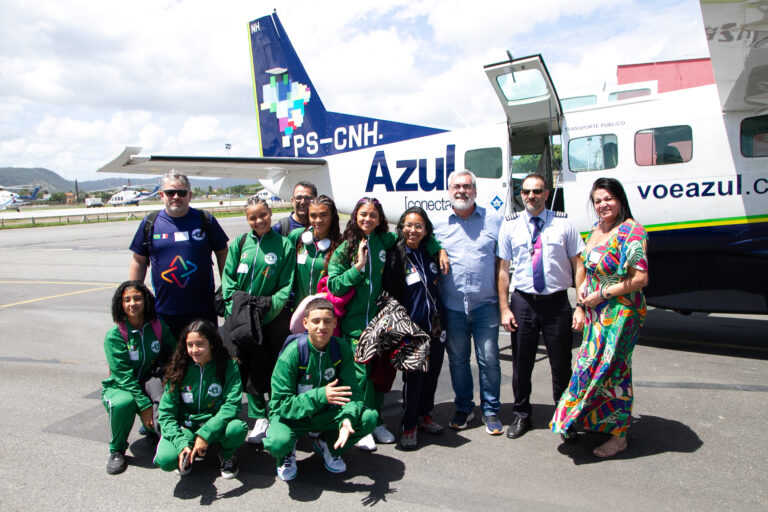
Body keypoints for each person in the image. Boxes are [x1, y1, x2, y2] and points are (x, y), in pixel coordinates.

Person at [327, 197, 448, 451]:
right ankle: (361, 425)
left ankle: (377, 420)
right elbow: (334, 285)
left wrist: (439, 249)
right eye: (363, 214)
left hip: (385, 321)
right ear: (355, 216)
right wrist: (357, 268)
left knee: (380, 376)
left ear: (380, 218)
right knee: (360, 376)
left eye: (373, 215)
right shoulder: (344, 248)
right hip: (356, 323)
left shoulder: (386, 242)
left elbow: (417, 236)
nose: (367, 220)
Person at [550, 177, 649, 458]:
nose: (603, 205)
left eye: (608, 199)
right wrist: (582, 300)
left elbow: (640, 278)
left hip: (621, 313)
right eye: (598, 200)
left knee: (614, 371)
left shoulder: (632, 231)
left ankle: (619, 437)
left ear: (620, 199)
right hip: (596, 312)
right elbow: (584, 267)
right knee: (593, 367)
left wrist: (602, 294)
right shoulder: (598, 229)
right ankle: (600, 422)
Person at [497, 174, 585, 440]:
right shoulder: (510, 225)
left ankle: (564, 417)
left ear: (547, 194)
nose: (531, 196)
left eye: (537, 191)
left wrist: (580, 305)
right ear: (520, 195)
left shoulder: (564, 223)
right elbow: (503, 269)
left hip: (556, 303)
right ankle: (522, 415)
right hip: (523, 301)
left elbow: (578, 264)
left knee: (561, 364)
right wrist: (504, 308)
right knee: (522, 365)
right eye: (526, 192)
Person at [263, 298, 378, 481]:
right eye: (316, 321)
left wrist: (347, 418)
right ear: (305, 323)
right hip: (293, 417)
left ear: (334, 323)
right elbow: (279, 405)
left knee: (368, 418)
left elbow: (353, 393)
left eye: (327, 321)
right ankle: (286, 452)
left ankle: (327, 444)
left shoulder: (341, 349)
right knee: (277, 442)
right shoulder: (292, 354)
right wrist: (321, 395)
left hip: (326, 415)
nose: (321, 326)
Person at [433, 169, 504, 435]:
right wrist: (438, 248)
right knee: (459, 360)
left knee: (490, 360)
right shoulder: (438, 223)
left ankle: (491, 410)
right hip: (452, 307)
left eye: (467, 186)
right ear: (449, 191)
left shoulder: (494, 220)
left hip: (486, 305)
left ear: (475, 190)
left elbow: (503, 263)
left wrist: (504, 303)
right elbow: (424, 245)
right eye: (456, 187)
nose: (461, 191)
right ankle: (464, 407)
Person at [220, 195, 294, 444]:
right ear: (247, 219)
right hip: (241, 317)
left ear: (270, 213)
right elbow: (227, 280)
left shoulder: (284, 245)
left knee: (273, 366)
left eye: (262, 214)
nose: (259, 220)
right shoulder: (239, 244)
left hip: (269, 316)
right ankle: (258, 416)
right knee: (247, 366)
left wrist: (267, 311)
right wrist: (236, 312)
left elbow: (286, 286)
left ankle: (275, 413)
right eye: (253, 217)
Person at [128, 170, 228, 339]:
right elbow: (138, 261)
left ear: (189, 195)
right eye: (170, 192)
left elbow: (223, 253)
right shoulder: (150, 224)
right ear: (161, 195)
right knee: (170, 362)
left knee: (203, 357)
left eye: (181, 192)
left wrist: (227, 287)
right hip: (164, 312)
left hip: (203, 310)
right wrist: (133, 293)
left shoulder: (205, 220)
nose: (176, 196)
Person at [382, 207, 446, 450]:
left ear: (426, 230)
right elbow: (387, 295)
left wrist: (440, 249)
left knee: (432, 374)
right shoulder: (395, 255)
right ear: (401, 227)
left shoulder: (430, 253)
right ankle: (408, 425)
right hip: (410, 330)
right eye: (408, 225)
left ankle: (424, 415)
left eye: (418, 226)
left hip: (436, 326)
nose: (413, 230)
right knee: (414, 379)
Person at [154, 320, 248, 478]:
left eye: (199, 344)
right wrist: (179, 442)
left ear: (212, 343)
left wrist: (205, 434)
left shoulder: (229, 365)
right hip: (187, 425)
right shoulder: (179, 366)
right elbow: (166, 412)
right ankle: (187, 450)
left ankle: (226, 454)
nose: (194, 350)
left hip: (215, 424)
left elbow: (232, 405)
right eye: (189, 345)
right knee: (166, 460)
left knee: (237, 429)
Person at [101, 280, 175, 475]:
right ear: (120, 304)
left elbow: (176, 354)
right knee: (123, 403)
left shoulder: (158, 326)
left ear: (146, 301)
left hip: (150, 380)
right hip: (121, 386)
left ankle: (160, 433)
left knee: (165, 394)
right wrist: (144, 405)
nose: (132, 303)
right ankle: (117, 450)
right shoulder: (115, 335)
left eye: (137, 298)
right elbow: (123, 377)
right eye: (127, 300)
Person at [287, 195, 342, 307]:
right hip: (299, 308)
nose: (318, 220)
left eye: (324, 215)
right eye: (313, 216)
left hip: (326, 311)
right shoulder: (297, 236)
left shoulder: (341, 244)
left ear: (332, 217)